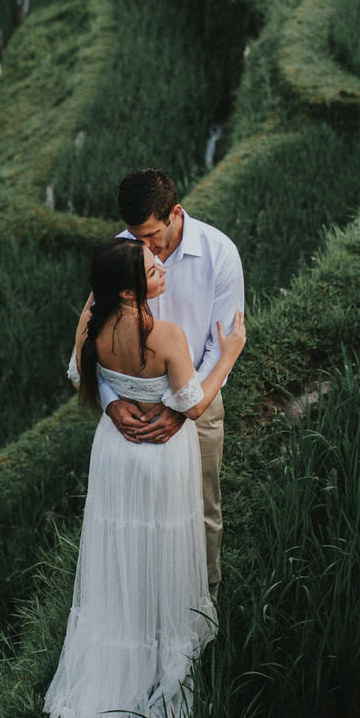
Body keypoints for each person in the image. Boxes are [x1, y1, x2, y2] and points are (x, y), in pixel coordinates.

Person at [44, 237, 248, 718]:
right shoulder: (168, 337)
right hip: (161, 455)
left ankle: (127, 631)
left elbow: (76, 374)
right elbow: (195, 403)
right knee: (164, 536)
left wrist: (113, 401)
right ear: (133, 291)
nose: (162, 267)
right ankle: (162, 641)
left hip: (115, 452)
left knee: (123, 540)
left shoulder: (94, 323)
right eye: (153, 267)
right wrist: (228, 353)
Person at [100, 169, 244, 601]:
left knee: (201, 510)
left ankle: (205, 600)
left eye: (151, 236)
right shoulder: (120, 251)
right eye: (134, 237)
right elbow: (92, 333)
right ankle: (146, 600)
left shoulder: (219, 254)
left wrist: (180, 407)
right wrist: (110, 402)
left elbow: (221, 346)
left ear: (176, 213)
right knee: (135, 514)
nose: (145, 249)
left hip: (198, 400)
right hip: (131, 412)